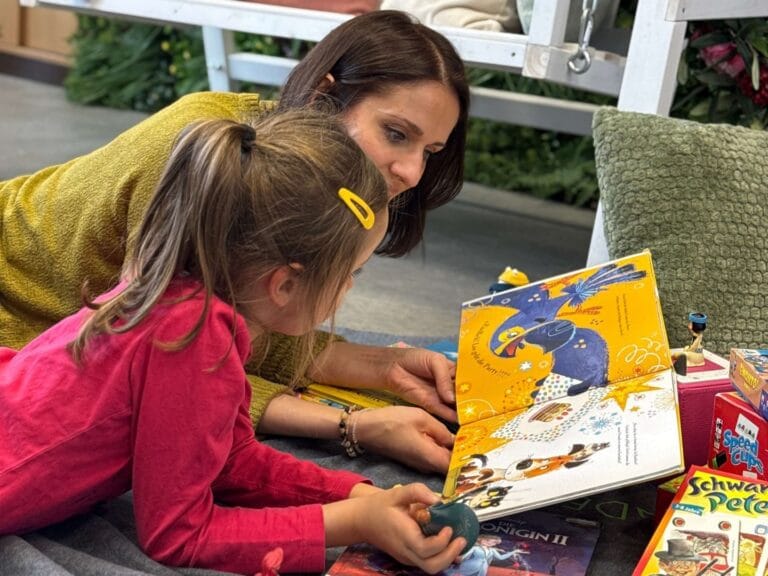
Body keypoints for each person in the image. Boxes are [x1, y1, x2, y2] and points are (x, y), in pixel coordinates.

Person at [0, 10, 469, 474]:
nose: (411, 172)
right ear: (325, 94)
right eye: (395, 133)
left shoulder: (307, 172)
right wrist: (352, 425)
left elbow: (242, 325)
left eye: (429, 152)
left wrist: (384, 366)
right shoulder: (204, 158)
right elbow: (171, 368)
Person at [0, 110, 468, 575]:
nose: (349, 289)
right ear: (284, 285)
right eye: (351, 273)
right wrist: (352, 523)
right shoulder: (192, 341)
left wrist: (357, 496)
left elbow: (229, 458)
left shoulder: (183, 293)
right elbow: (179, 534)